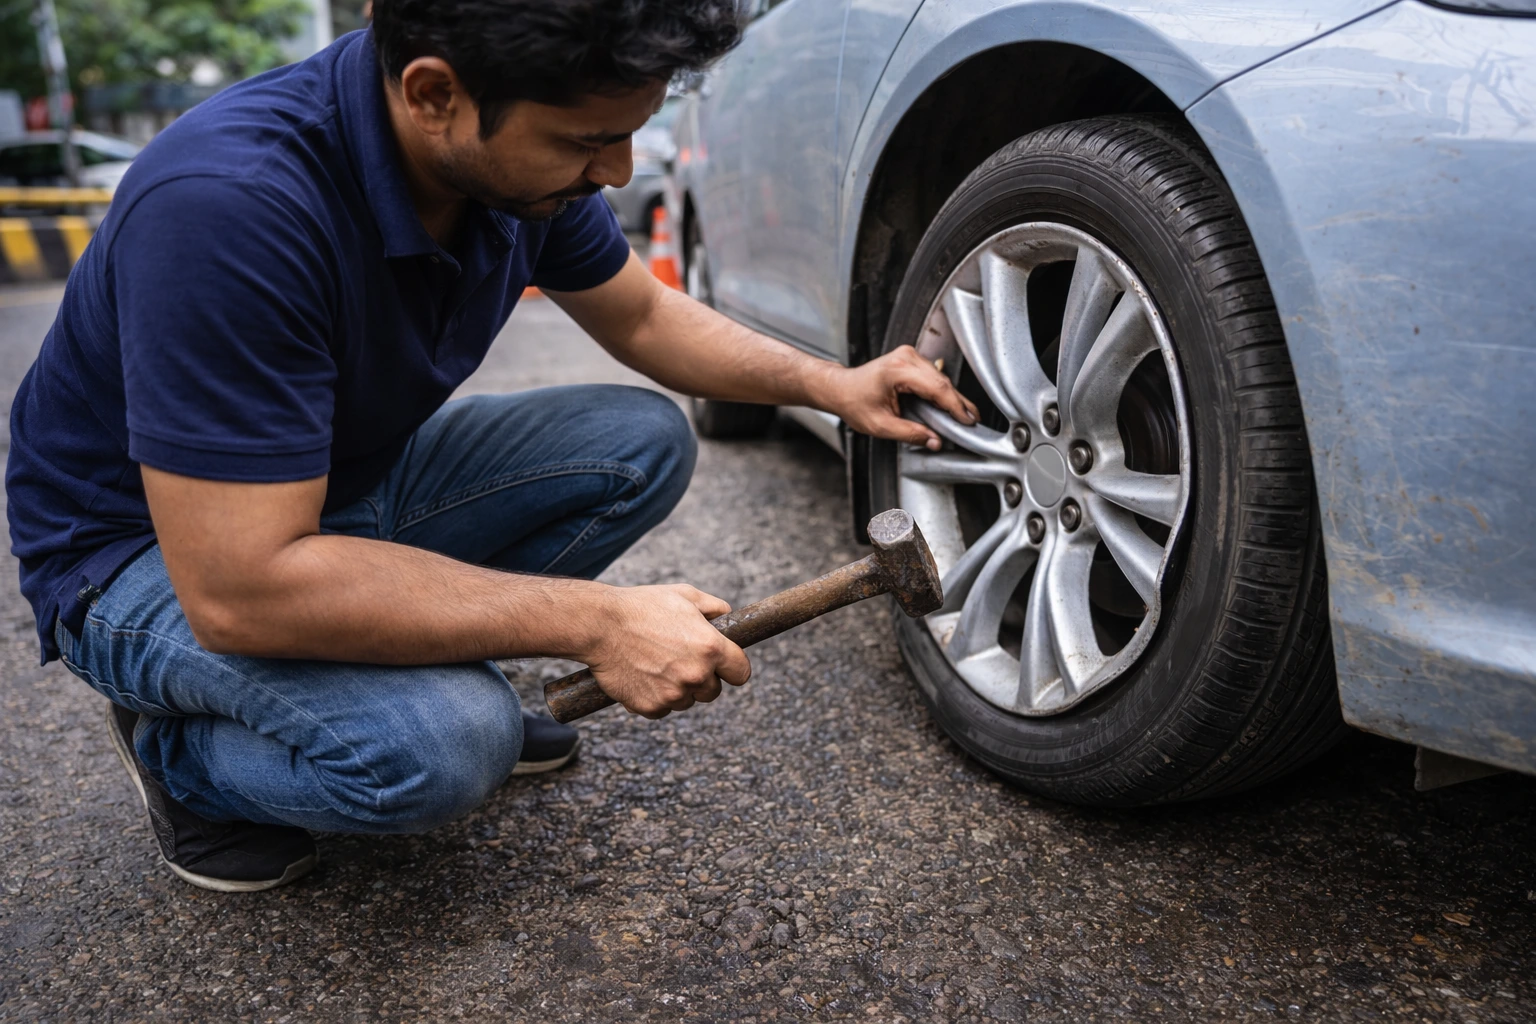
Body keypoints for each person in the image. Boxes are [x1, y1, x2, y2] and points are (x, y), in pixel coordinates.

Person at [5, 0, 977, 893]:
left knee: (638, 438)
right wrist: (595, 622)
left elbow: (643, 316)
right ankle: (184, 757)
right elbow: (240, 585)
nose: (619, 173)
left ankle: (359, 662)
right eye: (590, 141)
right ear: (435, 95)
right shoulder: (230, 208)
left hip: (335, 489)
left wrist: (832, 384)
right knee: (447, 741)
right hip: (146, 555)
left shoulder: (510, 170)